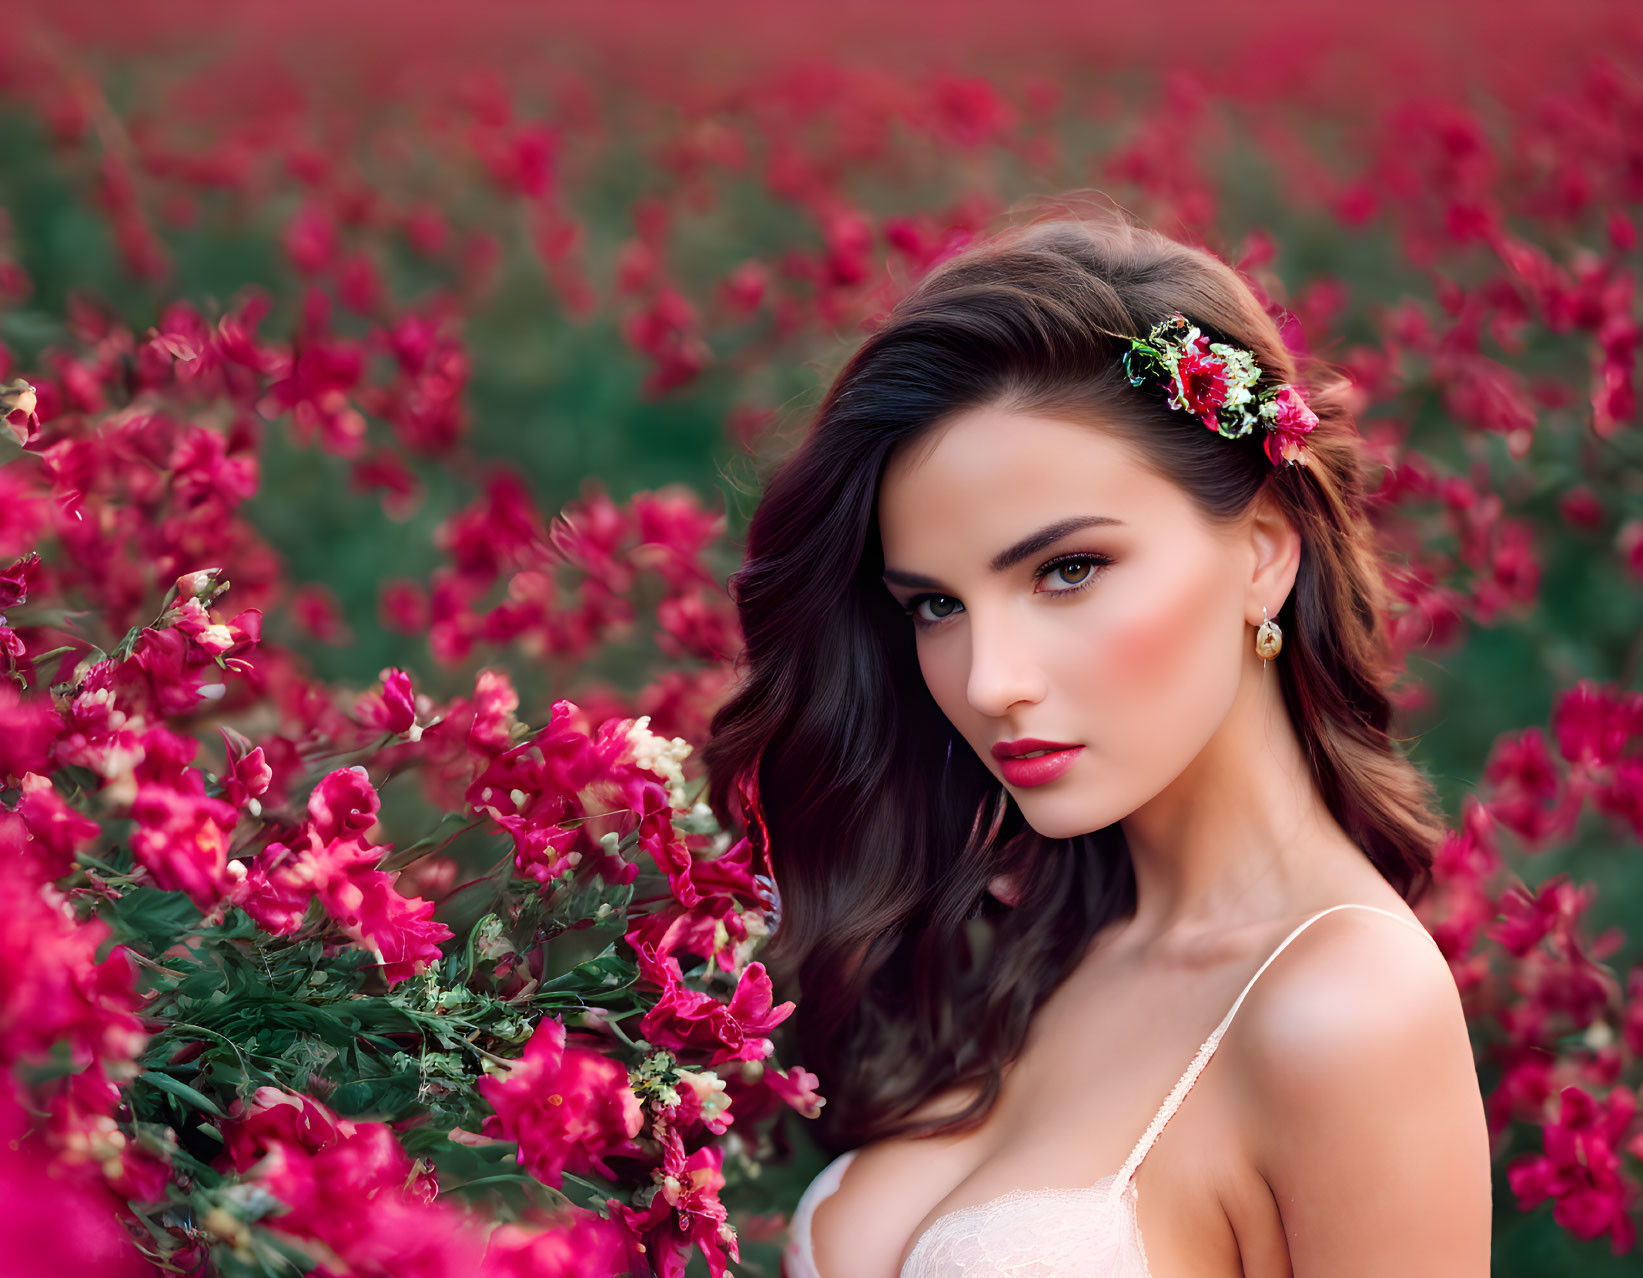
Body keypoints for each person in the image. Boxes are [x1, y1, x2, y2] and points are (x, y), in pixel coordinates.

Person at [701, 195, 1492, 1277]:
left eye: (1065, 571)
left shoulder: (1345, 1009)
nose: (990, 682)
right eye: (935, 605)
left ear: (1262, 551)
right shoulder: (1013, 950)